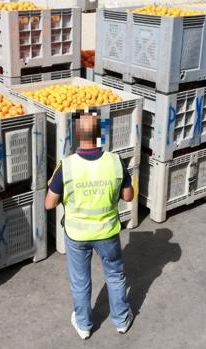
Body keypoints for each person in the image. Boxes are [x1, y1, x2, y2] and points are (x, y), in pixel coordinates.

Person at [45, 110, 135, 340]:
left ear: (77, 135)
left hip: (77, 235)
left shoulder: (66, 166)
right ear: (100, 134)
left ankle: (84, 325)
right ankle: (122, 320)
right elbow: (128, 197)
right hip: (107, 233)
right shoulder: (116, 162)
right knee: (115, 275)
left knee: (80, 280)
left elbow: (49, 204)